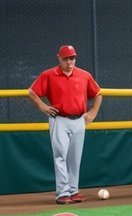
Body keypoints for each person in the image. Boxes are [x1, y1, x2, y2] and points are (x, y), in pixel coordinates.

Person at [27, 45, 102, 205]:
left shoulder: (84, 75)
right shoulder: (49, 74)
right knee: (60, 156)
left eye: (72, 58)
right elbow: (32, 92)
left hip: (79, 120)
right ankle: (62, 193)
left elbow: (97, 93)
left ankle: (73, 191)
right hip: (59, 119)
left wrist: (93, 112)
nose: (69, 62)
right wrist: (43, 106)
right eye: (66, 58)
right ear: (59, 58)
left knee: (75, 157)